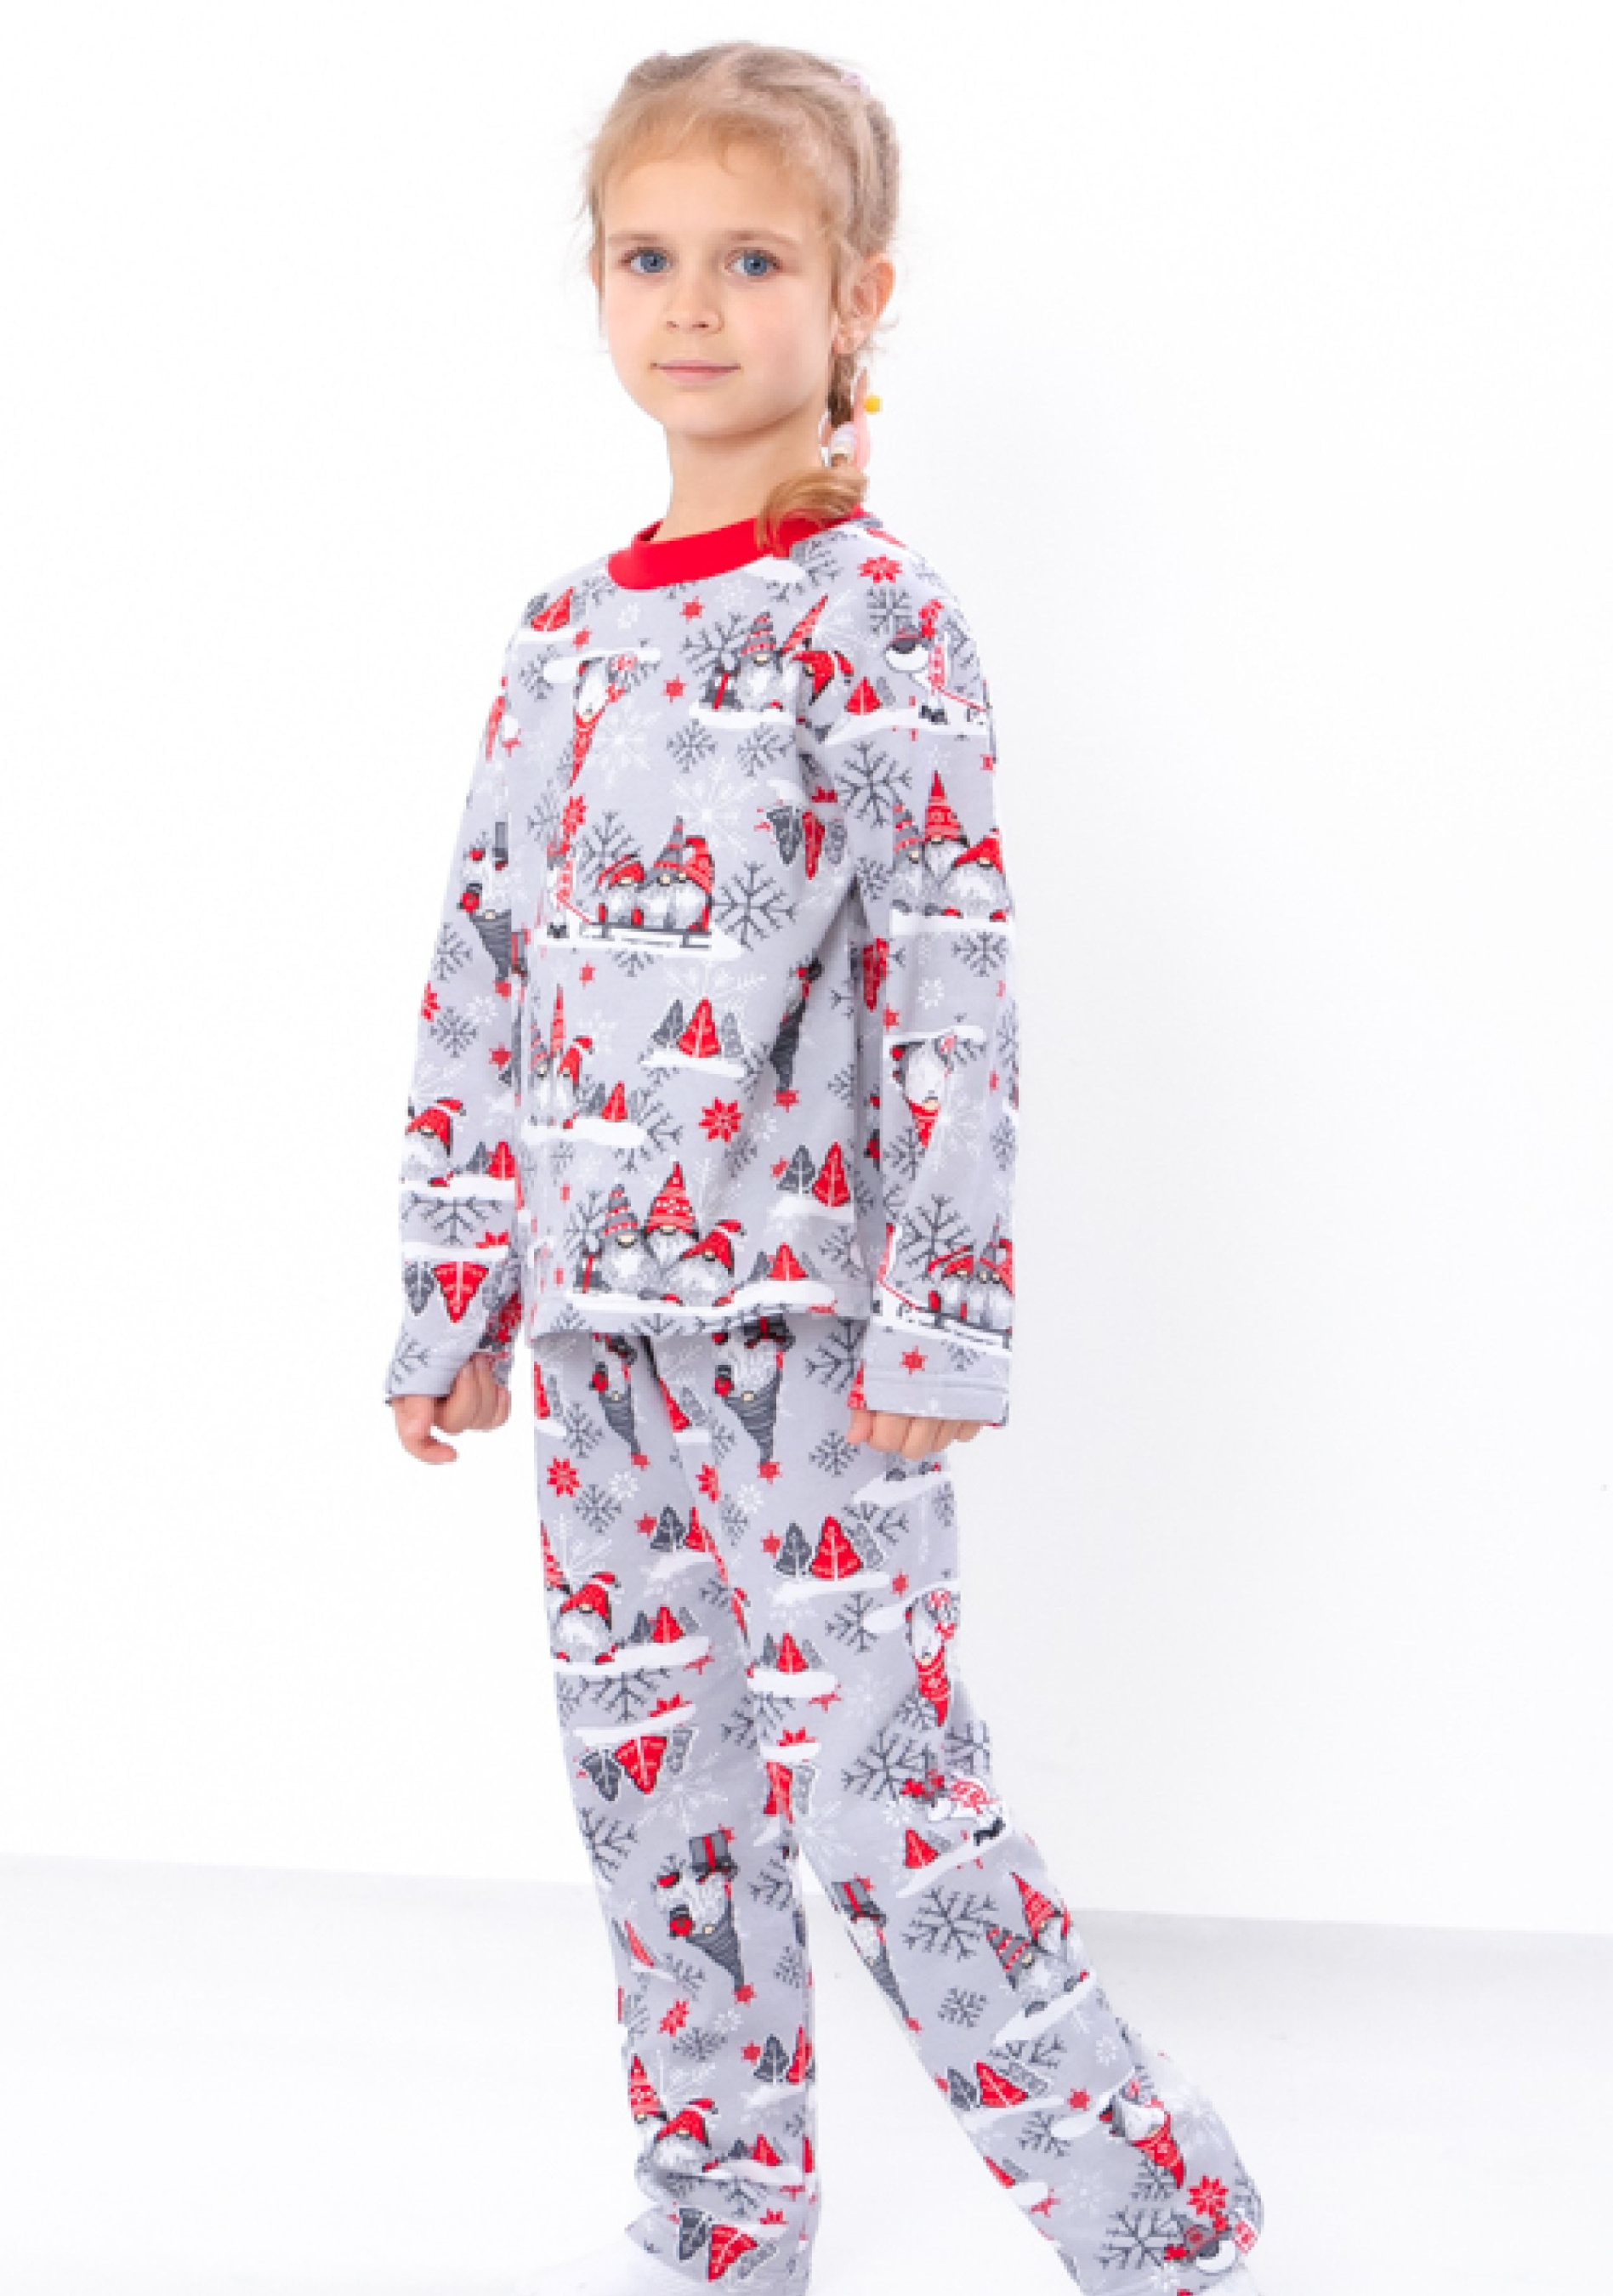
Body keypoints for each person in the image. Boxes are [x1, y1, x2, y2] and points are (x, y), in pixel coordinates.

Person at [384, 41, 1268, 2296]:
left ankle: (1158, 2219)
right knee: (656, 1813)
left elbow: (950, 986)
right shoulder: (561, 638)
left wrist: (942, 1316)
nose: (693, 304)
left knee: (885, 1811)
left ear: (859, 293)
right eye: (647, 257)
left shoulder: (877, 619)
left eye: (753, 260)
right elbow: (481, 965)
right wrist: (455, 1288)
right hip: (597, 1347)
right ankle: (718, 2228)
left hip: (811, 1342)